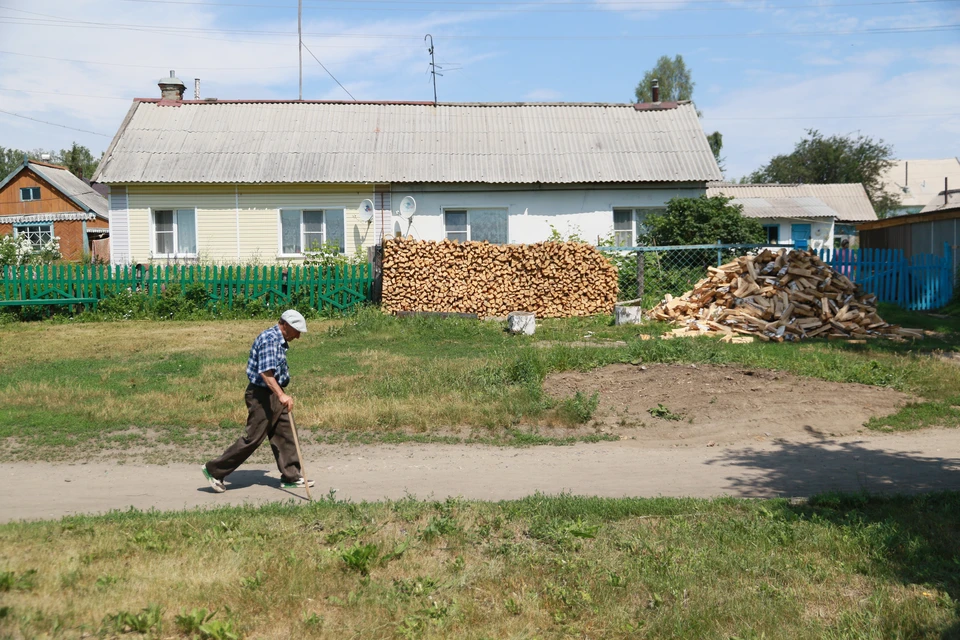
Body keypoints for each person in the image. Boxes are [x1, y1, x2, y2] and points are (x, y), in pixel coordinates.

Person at [201, 309, 315, 493]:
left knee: (286, 433)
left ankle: (291, 476)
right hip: (262, 395)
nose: (299, 336)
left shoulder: (278, 339)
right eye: (297, 331)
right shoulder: (270, 339)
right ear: (285, 325)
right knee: (252, 438)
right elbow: (266, 372)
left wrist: (279, 394)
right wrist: (281, 395)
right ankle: (214, 470)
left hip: (273, 392)